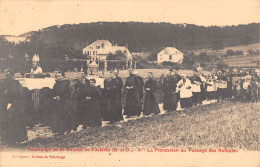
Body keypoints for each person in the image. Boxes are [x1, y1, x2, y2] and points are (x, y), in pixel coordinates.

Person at [0, 69, 28, 144]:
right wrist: (4, 93)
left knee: (15, 119)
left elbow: (19, 95)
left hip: (16, 104)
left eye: (8, 75)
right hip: (5, 104)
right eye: (6, 75)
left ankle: (17, 138)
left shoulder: (16, 83)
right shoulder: (4, 83)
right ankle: (6, 138)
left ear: (12, 76)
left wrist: (11, 102)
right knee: (4, 119)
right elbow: (1, 92)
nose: (7, 77)